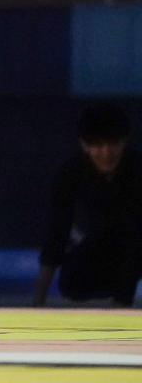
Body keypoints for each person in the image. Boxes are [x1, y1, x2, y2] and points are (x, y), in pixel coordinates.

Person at [32, 103, 142, 307]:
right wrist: (37, 300)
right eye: (97, 145)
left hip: (136, 245)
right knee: (74, 281)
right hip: (99, 249)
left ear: (124, 142)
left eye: (113, 143)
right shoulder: (71, 174)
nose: (106, 152)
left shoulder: (138, 169)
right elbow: (57, 233)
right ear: (84, 145)